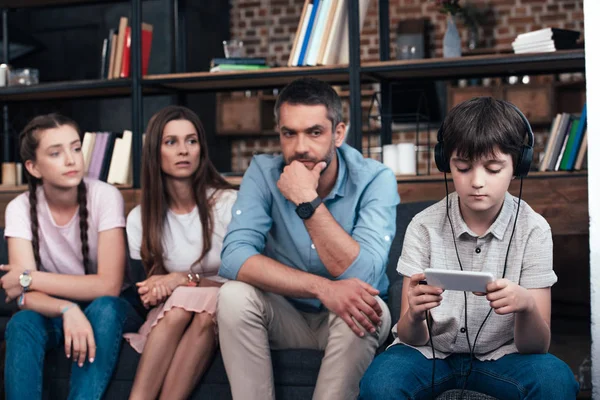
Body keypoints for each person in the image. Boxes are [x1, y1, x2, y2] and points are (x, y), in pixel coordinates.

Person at [359, 97, 579, 399]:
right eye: (463, 168)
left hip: (505, 357)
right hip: (427, 354)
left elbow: (537, 347)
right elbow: (411, 338)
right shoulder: (422, 226)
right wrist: (413, 316)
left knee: (556, 381)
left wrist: (526, 305)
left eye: (493, 168)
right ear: (446, 164)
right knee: (379, 384)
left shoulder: (534, 229)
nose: (477, 181)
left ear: (518, 166)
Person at [217, 77, 400, 400]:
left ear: (338, 133)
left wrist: (307, 201)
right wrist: (322, 287)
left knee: (367, 307)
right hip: (285, 315)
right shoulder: (263, 171)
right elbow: (233, 258)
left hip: (347, 319)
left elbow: (366, 274)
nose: (301, 147)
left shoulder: (375, 179)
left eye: (314, 132)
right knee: (233, 296)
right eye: (290, 133)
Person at [1, 113, 143, 400]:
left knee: (103, 307)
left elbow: (108, 287)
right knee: (22, 323)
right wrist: (68, 309)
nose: (71, 159)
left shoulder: (105, 196)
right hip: (57, 309)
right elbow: (22, 296)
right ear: (33, 167)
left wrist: (30, 278)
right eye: (56, 153)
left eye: (76, 148)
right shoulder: (19, 208)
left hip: (115, 308)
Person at [124, 105, 237, 400]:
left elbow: (249, 282)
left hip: (233, 303)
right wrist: (166, 285)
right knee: (185, 305)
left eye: (191, 141)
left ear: (201, 148)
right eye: (171, 142)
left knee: (195, 305)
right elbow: (153, 290)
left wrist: (183, 280)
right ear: (155, 152)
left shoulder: (228, 204)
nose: (183, 150)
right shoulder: (140, 218)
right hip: (177, 313)